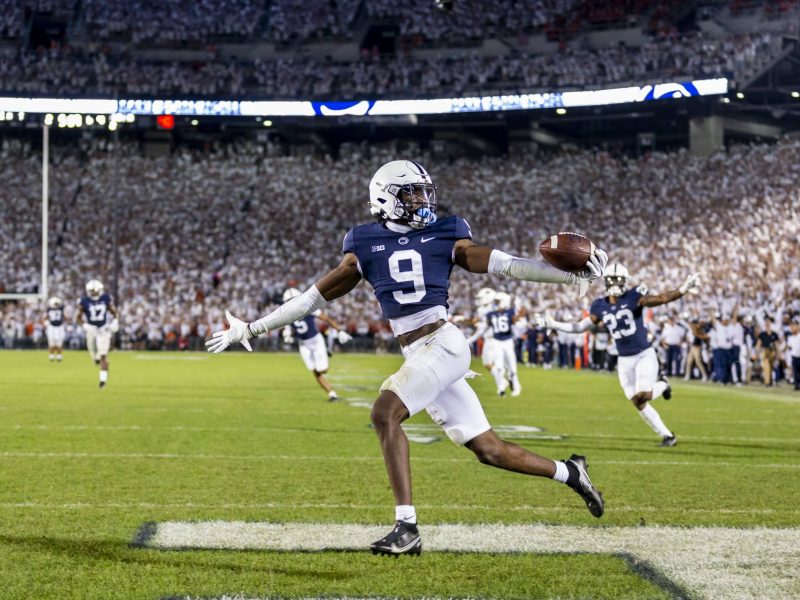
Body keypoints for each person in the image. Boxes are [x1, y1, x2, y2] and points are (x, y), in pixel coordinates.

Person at [206, 159, 608, 556]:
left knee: (384, 414)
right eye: (411, 193)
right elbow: (311, 299)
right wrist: (252, 328)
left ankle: (406, 527)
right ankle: (569, 471)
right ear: (386, 198)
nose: (421, 200)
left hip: (443, 343)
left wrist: (568, 275)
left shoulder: (447, 232)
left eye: (422, 192)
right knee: (489, 450)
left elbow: (506, 265)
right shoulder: (363, 243)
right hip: (419, 351)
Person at [536, 263, 699, 447]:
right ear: (606, 281)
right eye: (612, 279)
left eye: (618, 280)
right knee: (637, 402)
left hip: (644, 354)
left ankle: (663, 384)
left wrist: (683, 289)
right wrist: (554, 324)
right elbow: (580, 327)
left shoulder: (634, 296)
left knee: (644, 395)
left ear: (625, 281)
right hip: (624, 360)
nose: (615, 283)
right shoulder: (599, 305)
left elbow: (661, 298)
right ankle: (668, 436)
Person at [281, 287, 352, 401]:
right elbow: (287, 329)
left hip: (316, 340)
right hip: (303, 344)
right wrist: (287, 336)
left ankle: (325, 351)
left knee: (323, 369)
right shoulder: (286, 314)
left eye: (293, 299)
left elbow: (325, 318)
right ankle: (332, 394)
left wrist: (339, 330)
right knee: (314, 370)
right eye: (289, 301)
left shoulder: (308, 307)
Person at [76, 279, 119, 388]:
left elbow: (115, 312)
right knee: (95, 357)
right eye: (92, 291)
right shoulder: (84, 301)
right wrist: (85, 325)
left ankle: (102, 381)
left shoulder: (105, 298)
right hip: (91, 330)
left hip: (103, 329)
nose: (93, 293)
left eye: (95, 291)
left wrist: (115, 321)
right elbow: (78, 317)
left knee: (103, 355)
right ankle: (96, 359)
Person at [484, 291, 522, 396]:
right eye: (495, 302)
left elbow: (516, 322)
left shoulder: (510, 312)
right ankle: (501, 388)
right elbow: (486, 327)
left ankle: (516, 386)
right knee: (499, 367)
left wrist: (517, 309)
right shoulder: (491, 314)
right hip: (496, 341)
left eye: (498, 302)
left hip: (508, 341)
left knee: (512, 367)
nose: (495, 304)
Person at [756, 317, 780, 386]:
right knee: (766, 366)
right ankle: (767, 382)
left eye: (768, 322)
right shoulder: (762, 334)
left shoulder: (774, 334)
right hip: (765, 351)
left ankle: (771, 380)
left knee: (771, 367)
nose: (767, 324)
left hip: (772, 352)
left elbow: (776, 345)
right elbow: (758, 344)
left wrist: (778, 354)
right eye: (766, 322)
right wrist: (757, 353)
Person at [44, 296, 66, 362]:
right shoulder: (49, 309)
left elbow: (65, 317)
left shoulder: (61, 308)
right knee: (51, 343)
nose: (56, 305)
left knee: (59, 343)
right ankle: (52, 355)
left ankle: (59, 355)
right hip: (52, 327)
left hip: (59, 327)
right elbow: (45, 318)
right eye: (55, 303)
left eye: (57, 303)